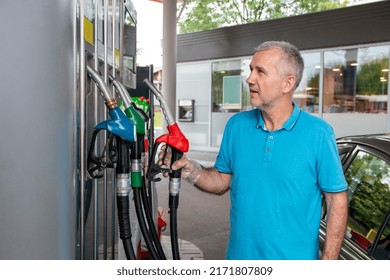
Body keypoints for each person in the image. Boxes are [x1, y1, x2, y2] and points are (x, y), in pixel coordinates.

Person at [161, 41, 348, 260]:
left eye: (260, 71)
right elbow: (222, 180)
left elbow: (337, 200)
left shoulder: (318, 134)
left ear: (287, 83)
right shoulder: (237, 125)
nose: (249, 79)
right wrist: (192, 170)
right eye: (251, 69)